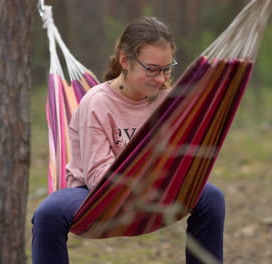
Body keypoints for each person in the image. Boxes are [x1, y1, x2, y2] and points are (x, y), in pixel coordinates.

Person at [31, 16, 225, 264]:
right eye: (152, 69)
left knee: (211, 197)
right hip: (94, 198)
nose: (160, 78)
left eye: (166, 69)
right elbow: (97, 176)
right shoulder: (97, 104)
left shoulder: (167, 101)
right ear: (125, 61)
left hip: (153, 190)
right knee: (49, 212)